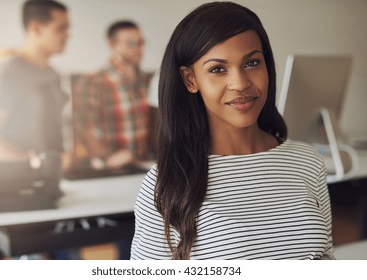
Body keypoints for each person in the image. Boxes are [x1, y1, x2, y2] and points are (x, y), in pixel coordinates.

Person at [130, 1, 334, 260]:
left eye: (252, 63)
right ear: (190, 79)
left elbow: (326, 257)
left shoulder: (307, 161)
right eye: (218, 69)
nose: (240, 83)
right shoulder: (166, 182)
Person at [0, 0, 70, 165]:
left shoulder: (52, 74)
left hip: (53, 177)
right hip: (19, 183)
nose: (68, 35)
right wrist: (36, 163)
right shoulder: (6, 75)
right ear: (36, 28)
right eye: (61, 28)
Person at [72, 20, 153, 172]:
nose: (139, 49)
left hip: (144, 166)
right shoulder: (93, 82)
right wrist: (107, 157)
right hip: (112, 169)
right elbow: (85, 127)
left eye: (141, 42)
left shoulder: (147, 80)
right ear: (112, 45)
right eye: (131, 44)